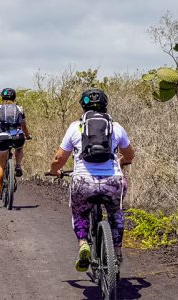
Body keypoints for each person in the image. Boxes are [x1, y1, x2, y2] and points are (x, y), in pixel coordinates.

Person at [47, 88, 135, 272]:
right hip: (113, 182)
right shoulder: (115, 127)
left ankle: (83, 244)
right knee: (115, 213)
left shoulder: (75, 127)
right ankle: (117, 250)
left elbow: (59, 159)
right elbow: (129, 154)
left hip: (83, 183)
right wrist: (123, 161)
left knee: (79, 213)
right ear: (105, 105)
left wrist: (54, 171)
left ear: (82, 106)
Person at [0, 88, 32, 200]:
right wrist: (27, 135)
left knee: (1, 165)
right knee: (19, 148)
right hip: (17, 137)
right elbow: (24, 126)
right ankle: (18, 165)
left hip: (2, 138)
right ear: (14, 98)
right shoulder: (20, 109)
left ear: (2, 98)